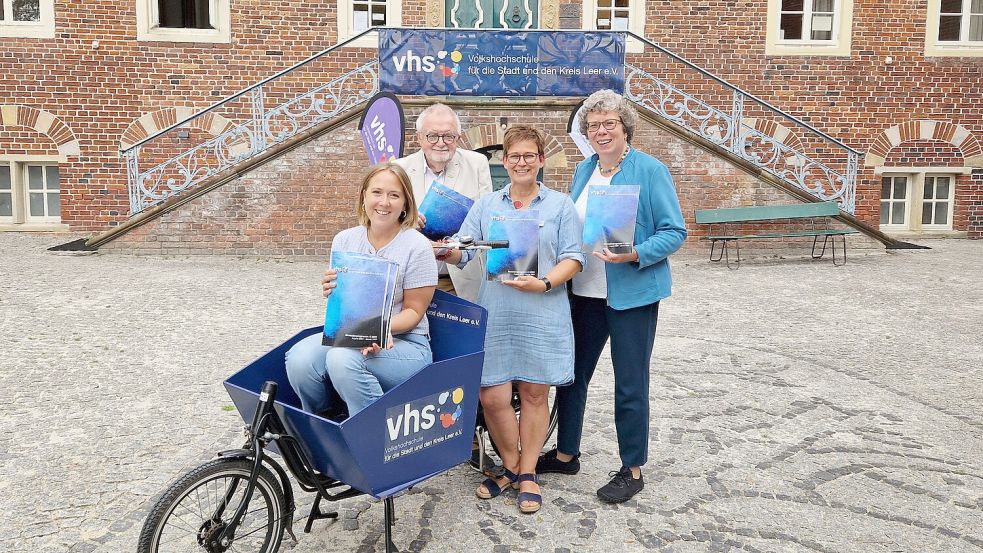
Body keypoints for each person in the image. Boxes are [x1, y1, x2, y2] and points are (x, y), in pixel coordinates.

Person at [536, 89, 687, 503]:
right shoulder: (584, 170)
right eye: (593, 126)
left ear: (625, 129)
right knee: (571, 375)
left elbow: (675, 232)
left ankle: (632, 468)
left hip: (632, 294)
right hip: (582, 292)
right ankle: (567, 454)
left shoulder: (650, 171)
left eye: (609, 125)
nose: (601, 132)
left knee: (630, 382)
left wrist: (636, 253)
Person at [442, 125, 585, 514]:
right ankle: (511, 464)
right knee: (492, 395)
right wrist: (447, 253)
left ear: (540, 161)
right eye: (514, 156)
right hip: (498, 311)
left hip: (542, 310)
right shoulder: (487, 205)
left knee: (536, 394)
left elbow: (575, 257)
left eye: (529, 156)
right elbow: (465, 250)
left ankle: (526, 474)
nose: (521, 162)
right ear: (504, 162)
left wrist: (545, 282)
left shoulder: (560, 206)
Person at [284, 161, 437, 418]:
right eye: (377, 192)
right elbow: (345, 305)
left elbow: (414, 311)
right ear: (364, 196)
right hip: (351, 334)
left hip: (406, 342)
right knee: (300, 359)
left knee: (341, 360)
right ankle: (327, 423)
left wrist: (379, 331)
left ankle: (370, 435)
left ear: (406, 203)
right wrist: (332, 291)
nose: (384, 202)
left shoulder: (417, 246)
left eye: (394, 195)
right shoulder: (345, 240)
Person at [394, 103, 493, 303]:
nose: (441, 143)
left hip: (460, 278)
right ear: (419, 137)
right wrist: (405, 224)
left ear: (458, 137)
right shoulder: (399, 169)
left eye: (449, 136)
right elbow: (384, 221)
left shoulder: (477, 164)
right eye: (432, 136)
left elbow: (486, 220)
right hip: (411, 279)